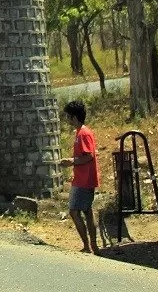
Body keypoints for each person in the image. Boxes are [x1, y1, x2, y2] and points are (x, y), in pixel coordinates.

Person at [60, 99, 99, 254]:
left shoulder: (83, 133)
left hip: (84, 180)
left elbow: (88, 156)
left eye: (68, 116)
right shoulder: (81, 133)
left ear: (74, 117)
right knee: (87, 210)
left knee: (74, 211)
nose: (67, 120)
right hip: (83, 178)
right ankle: (92, 245)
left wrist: (71, 162)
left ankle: (87, 245)